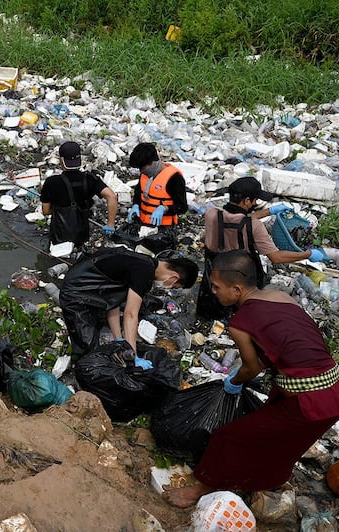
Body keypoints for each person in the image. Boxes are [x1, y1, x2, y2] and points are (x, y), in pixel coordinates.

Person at [163, 250, 339, 508]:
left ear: (236, 289)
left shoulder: (239, 322)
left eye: (216, 286)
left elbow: (251, 368)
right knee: (284, 443)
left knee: (231, 437)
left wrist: (234, 382)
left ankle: (200, 488)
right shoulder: (281, 297)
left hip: (306, 400)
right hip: (333, 390)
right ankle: (269, 480)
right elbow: (289, 339)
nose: (213, 291)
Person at [196, 176, 328, 320]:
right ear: (247, 201)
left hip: (214, 275)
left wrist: (269, 211)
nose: (255, 203)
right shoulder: (254, 226)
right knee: (243, 317)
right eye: (254, 200)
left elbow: (236, 217)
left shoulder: (211, 214)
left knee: (211, 316)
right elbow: (276, 257)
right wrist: (308, 254)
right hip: (240, 279)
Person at [58, 246, 198, 362]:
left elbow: (112, 301)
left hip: (88, 285)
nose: (170, 289)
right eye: (174, 287)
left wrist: (119, 339)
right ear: (173, 278)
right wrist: (134, 356)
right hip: (75, 293)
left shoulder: (144, 262)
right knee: (89, 351)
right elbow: (130, 314)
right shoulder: (144, 272)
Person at [40, 141, 118, 246]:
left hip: (59, 236)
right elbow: (111, 196)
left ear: (62, 160)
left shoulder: (51, 182)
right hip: (82, 234)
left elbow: (45, 211)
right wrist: (110, 224)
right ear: (79, 159)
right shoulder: (90, 178)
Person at [126, 142, 187, 230]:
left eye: (143, 168)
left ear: (153, 162)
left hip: (164, 227)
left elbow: (182, 207)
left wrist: (164, 208)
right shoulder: (144, 174)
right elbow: (138, 193)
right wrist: (136, 205)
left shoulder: (174, 178)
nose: (141, 171)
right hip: (142, 223)